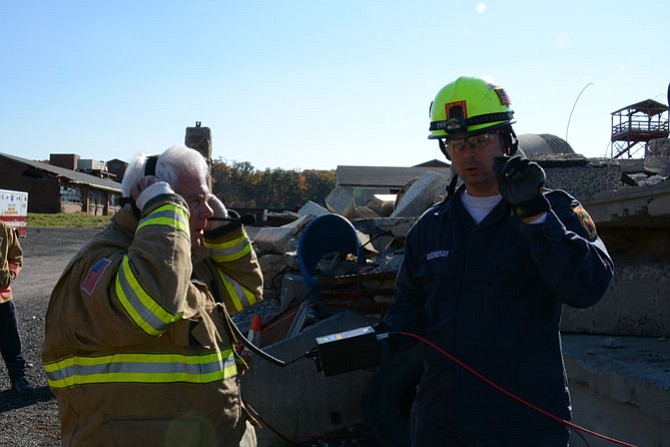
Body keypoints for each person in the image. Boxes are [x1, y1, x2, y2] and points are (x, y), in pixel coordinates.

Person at [380, 76, 614, 446]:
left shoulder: (552, 209)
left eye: (479, 141)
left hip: (524, 422)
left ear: (507, 139)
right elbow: (409, 305)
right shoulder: (431, 227)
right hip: (440, 421)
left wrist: (534, 215)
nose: (467, 154)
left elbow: (588, 286)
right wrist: (385, 337)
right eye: (456, 144)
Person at [43, 145, 263, 447]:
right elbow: (152, 309)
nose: (207, 210)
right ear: (147, 200)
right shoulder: (101, 263)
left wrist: (222, 230)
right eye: (196, 200)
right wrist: (166, 209)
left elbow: (246, 289)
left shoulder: (184, 262)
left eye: (208, 199)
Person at [0, 220, 34, 393]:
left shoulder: (4, 229)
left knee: (11, 342)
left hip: (3, 300)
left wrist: (10, 274)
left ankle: (18, 379)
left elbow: (16, 258)